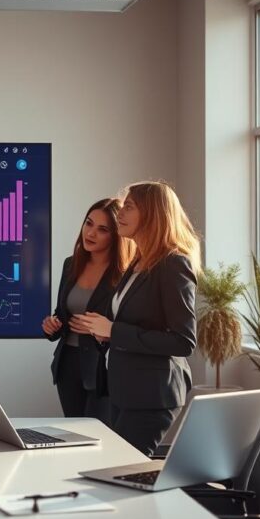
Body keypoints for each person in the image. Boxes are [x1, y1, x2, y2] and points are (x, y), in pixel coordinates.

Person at [74, 181, 200, 456]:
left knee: (121, 471)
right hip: (124, 391)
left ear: (152, 213)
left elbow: (183, 341)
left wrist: (114, 330)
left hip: (152, 396)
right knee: (116, 471)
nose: (120, 212)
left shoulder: (173, 264)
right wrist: (104, 333)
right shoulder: (138, 262)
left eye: (129, 206)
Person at [42, 198, 132, 424]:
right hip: (67, 366)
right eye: (88, 223)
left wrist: (99, 329)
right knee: (75, 434)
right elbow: (62, 312)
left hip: (103, 367)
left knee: (98, 434)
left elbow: (129, 325)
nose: (90, 233)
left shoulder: (125, 274)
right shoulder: (70, 265)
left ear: (116, 235)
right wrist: (52, 326)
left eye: (102, 229)